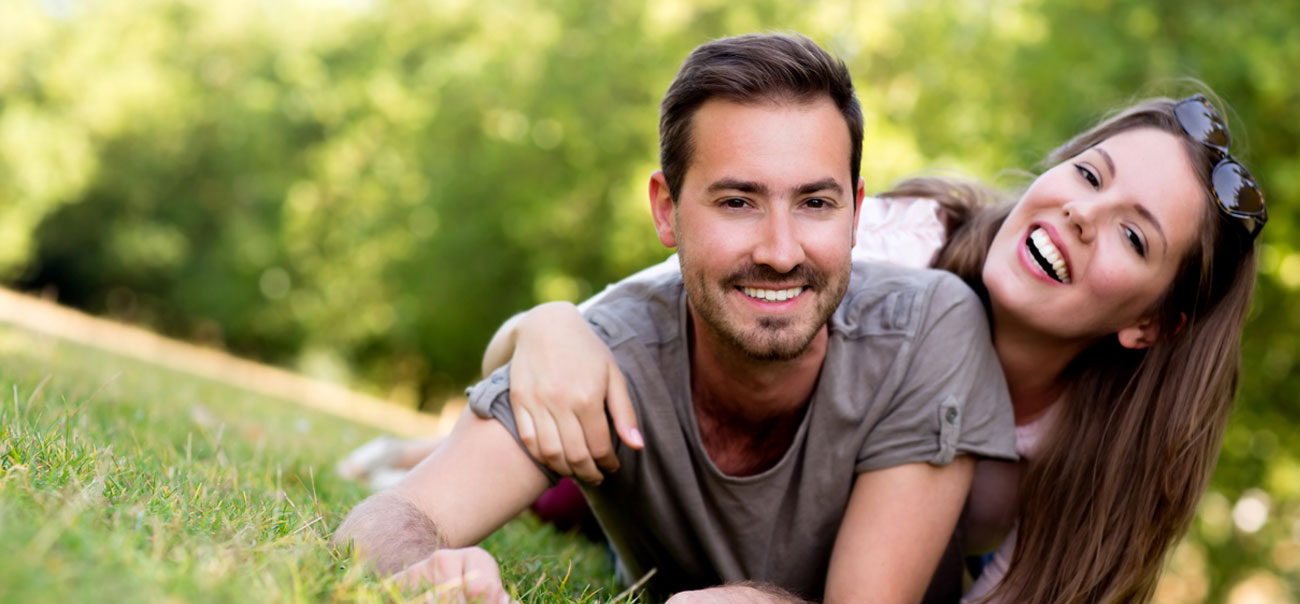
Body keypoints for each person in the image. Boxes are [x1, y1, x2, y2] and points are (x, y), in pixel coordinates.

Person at [495, 90, 1266, 603]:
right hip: (715, 484)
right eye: (1089, 174)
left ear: (1152, 325)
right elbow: (634, 326)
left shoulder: (1093, 458)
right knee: (569, 478)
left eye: (1134, 235)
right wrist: (545, 325)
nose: (1083, 216)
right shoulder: (895, 245)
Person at [332, 32, 1018, 604]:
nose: (781, 252)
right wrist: (426, 569)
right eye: (737, 202)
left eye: (815, 203)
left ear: (856, 211)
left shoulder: (928, 328)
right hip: (627, 457)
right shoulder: (606, 348)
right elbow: (388, 522)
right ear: (666, 209)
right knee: (567, 494)